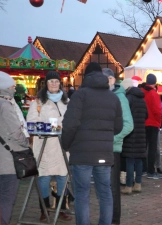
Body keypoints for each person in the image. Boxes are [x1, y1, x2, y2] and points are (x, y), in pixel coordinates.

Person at [61, 62, 123, 225]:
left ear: (86, 76)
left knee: (82, 194)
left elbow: (70, 124)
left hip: (81, 153)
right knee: (105, 193)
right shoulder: (113, 97)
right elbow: (118, 127)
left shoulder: (80, 95)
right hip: (104, 152)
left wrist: (66, 144)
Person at [26, 71, 72, 221]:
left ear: (61, 84)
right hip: (44, 146)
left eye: (56, 81)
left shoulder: (67, 102)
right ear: (46, 84)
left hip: (62, 147)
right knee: (44, 178)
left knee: (62, 177)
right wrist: (51, 127)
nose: (54, 84)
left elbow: (72, 122)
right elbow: (31, 123)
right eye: (51, 81)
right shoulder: (38, 103)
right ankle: (44, 209)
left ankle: (61, 209)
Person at [102, 68, 134, 225]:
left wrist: (111, 138)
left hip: (112, 148)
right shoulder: (101, 96)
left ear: (112, 80)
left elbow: (128, 125)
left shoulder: (120, 98)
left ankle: (114, 220)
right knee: (104, 187)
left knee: (113, 187)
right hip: (99, 148)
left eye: (106, 79)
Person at [0, 72, 30, 225]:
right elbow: (15, 131)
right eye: (12, 85)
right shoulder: (5, 104)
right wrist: (26, 142)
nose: (14, 88)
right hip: (6, 161)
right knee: (6, 198)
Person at [120, 78, 147, 194]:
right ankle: (138, 184)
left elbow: (124, 116)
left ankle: (128, 186)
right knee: (139, 160)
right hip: (141, 132)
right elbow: (146, 115)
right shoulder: (142, 99)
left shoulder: (128, 99)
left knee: (130, 160)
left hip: (131, 133)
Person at [140, 74, 162, 179]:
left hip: (143, 123)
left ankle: (143, 169)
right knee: (152, 149)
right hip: (153, 123)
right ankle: (150, 171)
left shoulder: (141, 92)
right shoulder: (154, 94)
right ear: (154, 83)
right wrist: (159, 122)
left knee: (143, 147)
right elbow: (157, 110)